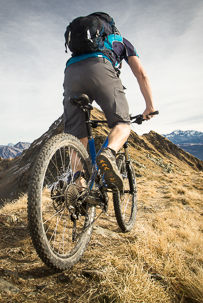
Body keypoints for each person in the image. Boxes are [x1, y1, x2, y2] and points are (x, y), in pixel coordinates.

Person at [63, 12, 156, 191]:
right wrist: (149, 107)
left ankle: (78, 185)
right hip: (101, 68)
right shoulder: (119, 40)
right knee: (122, 123)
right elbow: (142, 75)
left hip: (71, 70)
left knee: (78, 137)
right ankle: (108, 153)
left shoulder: (80, 45)